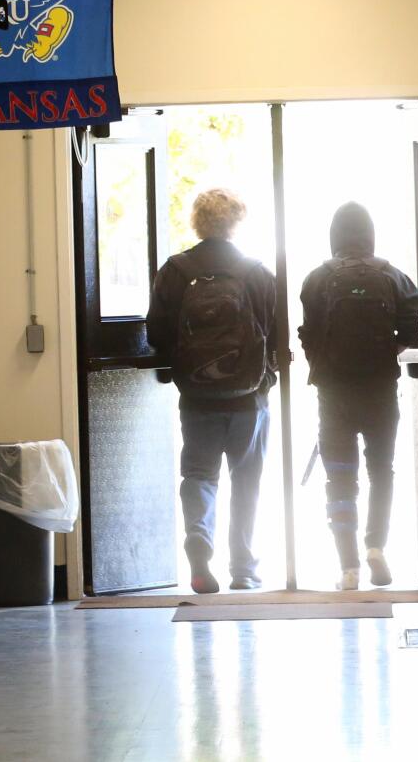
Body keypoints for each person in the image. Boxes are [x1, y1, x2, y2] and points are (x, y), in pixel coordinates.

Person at [146, 188, 283, 594]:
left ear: (197, 222)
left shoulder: (175, 270)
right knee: (246, 480)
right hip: (249, 398)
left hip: (197, 397)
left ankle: (199, 545)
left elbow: (155, 332)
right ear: (235, 223)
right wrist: (267, 378)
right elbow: (275, 335)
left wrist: (184, 366)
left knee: (199, 475)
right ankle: (243, 569)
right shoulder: (256, 272)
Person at [297, 201, 418, 591]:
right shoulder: (393, 276)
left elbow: (307, 333)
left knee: (339, 479)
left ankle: (348, 568)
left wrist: (323, 363)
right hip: (380, 391)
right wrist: (390, 350)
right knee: (381, 471)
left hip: (333, 394)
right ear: (370, 235)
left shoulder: (317, 278)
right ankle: (376, 549)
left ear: (334, 236)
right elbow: (412, 323)